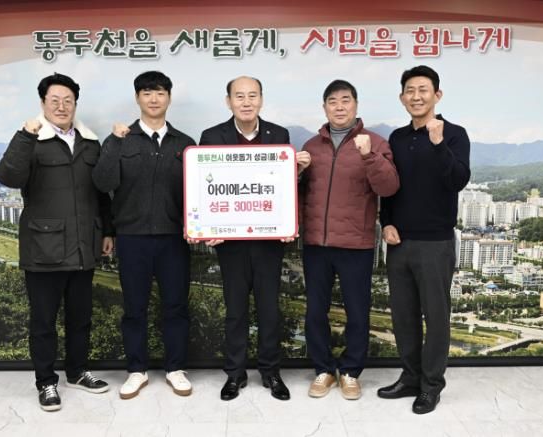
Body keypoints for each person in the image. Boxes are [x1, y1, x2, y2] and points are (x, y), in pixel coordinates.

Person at [0, 73, 113, 412]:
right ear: (43, 103)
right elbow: (7, 176)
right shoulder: (32, 140)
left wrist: (107, 231)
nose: (62, 107)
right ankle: (46, 382)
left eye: (68, 101)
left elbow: (101, 193)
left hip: (83, 246)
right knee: (44, 322)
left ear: (75, 103)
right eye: (54, 101)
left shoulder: (90, 143)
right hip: (43, 248)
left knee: (80, 318)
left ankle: (77, 372)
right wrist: (25, 135)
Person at [198, 76, 310, 401]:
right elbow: (205, 187)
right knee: (235, 310)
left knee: (269, 310)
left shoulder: (279, 135)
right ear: (228, 101)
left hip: (268, 241)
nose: (246, 102)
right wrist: (207, 227)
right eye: (239, 96)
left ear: (261, 99)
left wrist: (296, 171)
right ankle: (235, 373)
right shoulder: (212, 136)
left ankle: (270, 372)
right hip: (229, 242)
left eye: (252, 96)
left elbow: (281, 186)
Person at [92, 71, 196, 399]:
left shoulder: (185, 143)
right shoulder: (121, 140)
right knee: (134, 308)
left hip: (174, 239)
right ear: (137, 98)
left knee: (175, 306)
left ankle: (175, 368)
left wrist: (198, 227)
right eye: (147, 93)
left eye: (160, 93)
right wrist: (113, 142)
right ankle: (136, 370)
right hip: (132, 238)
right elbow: (103, 183)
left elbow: (198, 192)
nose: (154, 99)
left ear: (169, 98)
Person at [299, 79, 399, 400]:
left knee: (357, 312)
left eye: (345, 100)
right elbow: (297, 193)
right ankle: (324, 370)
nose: (339, 107)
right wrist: (296, 172)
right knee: (315, 311)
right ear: (324, 107)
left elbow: (389, 187)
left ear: (356, 105)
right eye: (333, 101)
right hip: (316, 243)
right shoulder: (311, 146)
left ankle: (351, 372)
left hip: (356, 244)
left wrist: (370, 157)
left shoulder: (376, 143)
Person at [378, 65, 470, 414]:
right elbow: (389, 186)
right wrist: (386, 222)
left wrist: (438, 144)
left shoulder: (455, 134)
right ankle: (410, 377)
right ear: (402, 97)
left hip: (436, 243)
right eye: (410, 91)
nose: (416, 97)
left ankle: (431, 386)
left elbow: (458, 179)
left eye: (423, 90)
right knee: (403, 316)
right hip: (399, 242)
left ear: (437, 95)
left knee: (436, 316)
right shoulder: (397, 138)